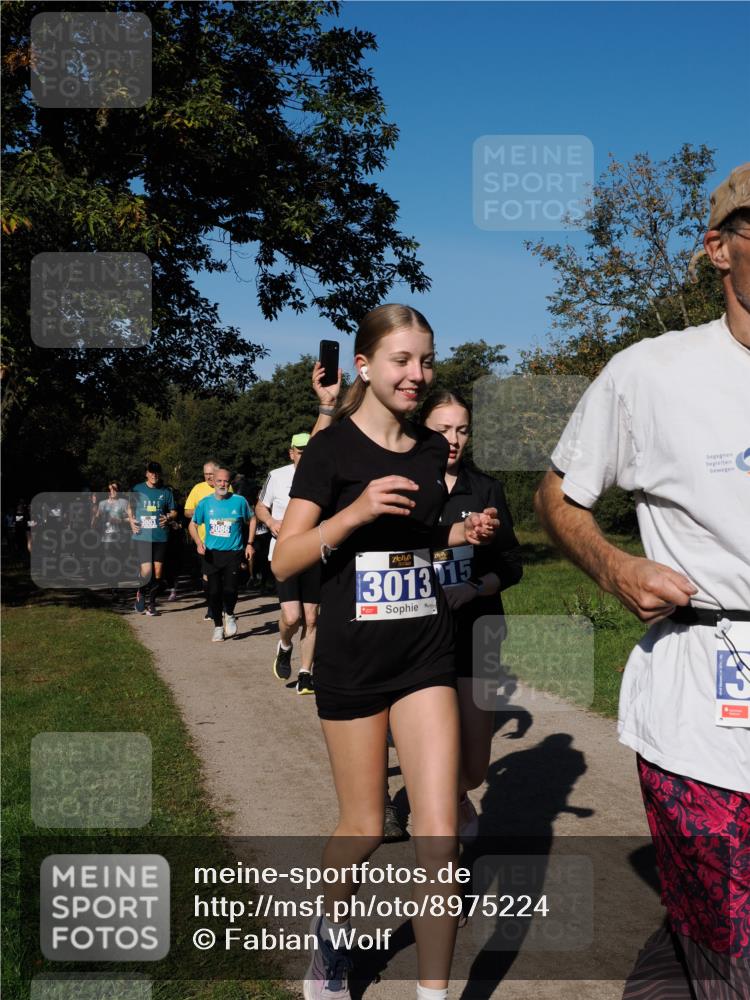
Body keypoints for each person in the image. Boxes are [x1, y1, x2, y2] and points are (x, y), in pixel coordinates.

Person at [534, 164, 750, 997]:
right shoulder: (649, 374)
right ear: (718, 250)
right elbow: (559, 495)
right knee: (731, 947)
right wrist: (616, 565)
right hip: (703, 701)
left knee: (701, 935)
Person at [272, 303, 499, 1000]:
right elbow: (286, 560)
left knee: (438, 833)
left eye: (426, 360)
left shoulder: (433, 450)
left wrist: (456, 540)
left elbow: (417, 542)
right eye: (402, 360)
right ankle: (330, 941)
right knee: (366, 826)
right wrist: (356, 512)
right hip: (352, 661)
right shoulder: (332, 450)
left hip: (425, 654)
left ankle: (434, 994)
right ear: (364, 367)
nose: (416, 374)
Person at [421, 389, 523, 840]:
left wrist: (474, 587)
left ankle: (459, 794)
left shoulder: (485, 489)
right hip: (418, 639)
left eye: (461, 429)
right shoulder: (404, 488)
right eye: (443, 429)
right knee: (436, 758)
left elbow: (510, 566)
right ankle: (444, 891)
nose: (453, 439)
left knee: (475, 767)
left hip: (476, 633)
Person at [256, 433, 320, 695]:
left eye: (309, 450)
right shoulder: (277, 476)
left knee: (312, 617)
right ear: (291, 453)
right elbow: (260, 507)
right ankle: (284, 645)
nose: (304, 455)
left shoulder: (323, 476)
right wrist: (271, 523)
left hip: (314, 553)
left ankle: (306, 674)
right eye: (300, 451)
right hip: (283, 554)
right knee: (292, 617)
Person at [189, 467, 255, 642]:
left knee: (230, 589)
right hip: (212, 554)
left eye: (226, 481)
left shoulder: (239, 501)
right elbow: (192, 524)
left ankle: (230, 614)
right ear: (213, 482)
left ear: (229, 482)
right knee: (214, 592)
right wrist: (198, 543)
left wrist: (249, 544)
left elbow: (253, 519)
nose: (222, 484)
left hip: (233, 552)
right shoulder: (205, 503)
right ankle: (218, 626)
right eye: (219, 481)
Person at [130, 461, 178, 616]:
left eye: (157, 472)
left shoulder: (166, 491)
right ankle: (141, 593)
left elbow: (174, 511)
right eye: (151, 472)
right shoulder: (137, 489)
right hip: (143, 535)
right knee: (147, 570)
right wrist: (131, 521)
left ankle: (151, 604)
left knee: (157, 571)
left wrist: (169, 517)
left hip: (160, 535)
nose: (154, 475)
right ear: (146, 473)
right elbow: (128, 507)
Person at [184, 461, 228, 619]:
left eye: (211, 474)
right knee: (208, 576)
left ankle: (223, 605)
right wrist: (202, 510)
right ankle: (212, 606)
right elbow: (187, 511)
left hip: (225, 540)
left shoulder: (226, 487)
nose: (208, 477)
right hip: (204, 541)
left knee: (223, 576)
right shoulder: (198, 488)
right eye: (206, 474)